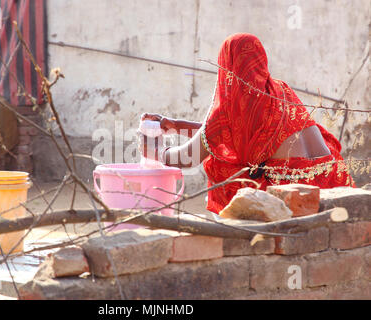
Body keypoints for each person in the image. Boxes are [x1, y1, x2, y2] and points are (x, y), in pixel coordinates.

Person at [141, 33, 354, 214]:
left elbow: (188, 157)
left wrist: (155, 151)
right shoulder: (280, 92)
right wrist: (178, 125)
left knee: (229, 169)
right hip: (333, 181)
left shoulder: (226, 112)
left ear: (227, 67)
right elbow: (231, 137)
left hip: (292, 198)